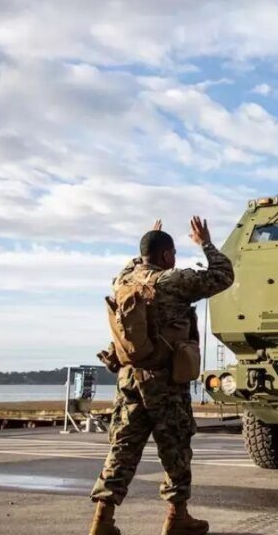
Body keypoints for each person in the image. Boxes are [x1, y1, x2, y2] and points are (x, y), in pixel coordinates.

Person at [89, 217, 234, 535]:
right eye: (173, 253)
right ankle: (177, 516)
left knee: (123, 447)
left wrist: (149, 241)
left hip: (129, 379)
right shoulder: (173, 281)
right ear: (167, 255)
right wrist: (205, 243)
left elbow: (134, 264)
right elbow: (223, 275)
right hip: (165, 382)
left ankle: (103, 520)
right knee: (176, 448)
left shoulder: (123, 280)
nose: (175, 258)